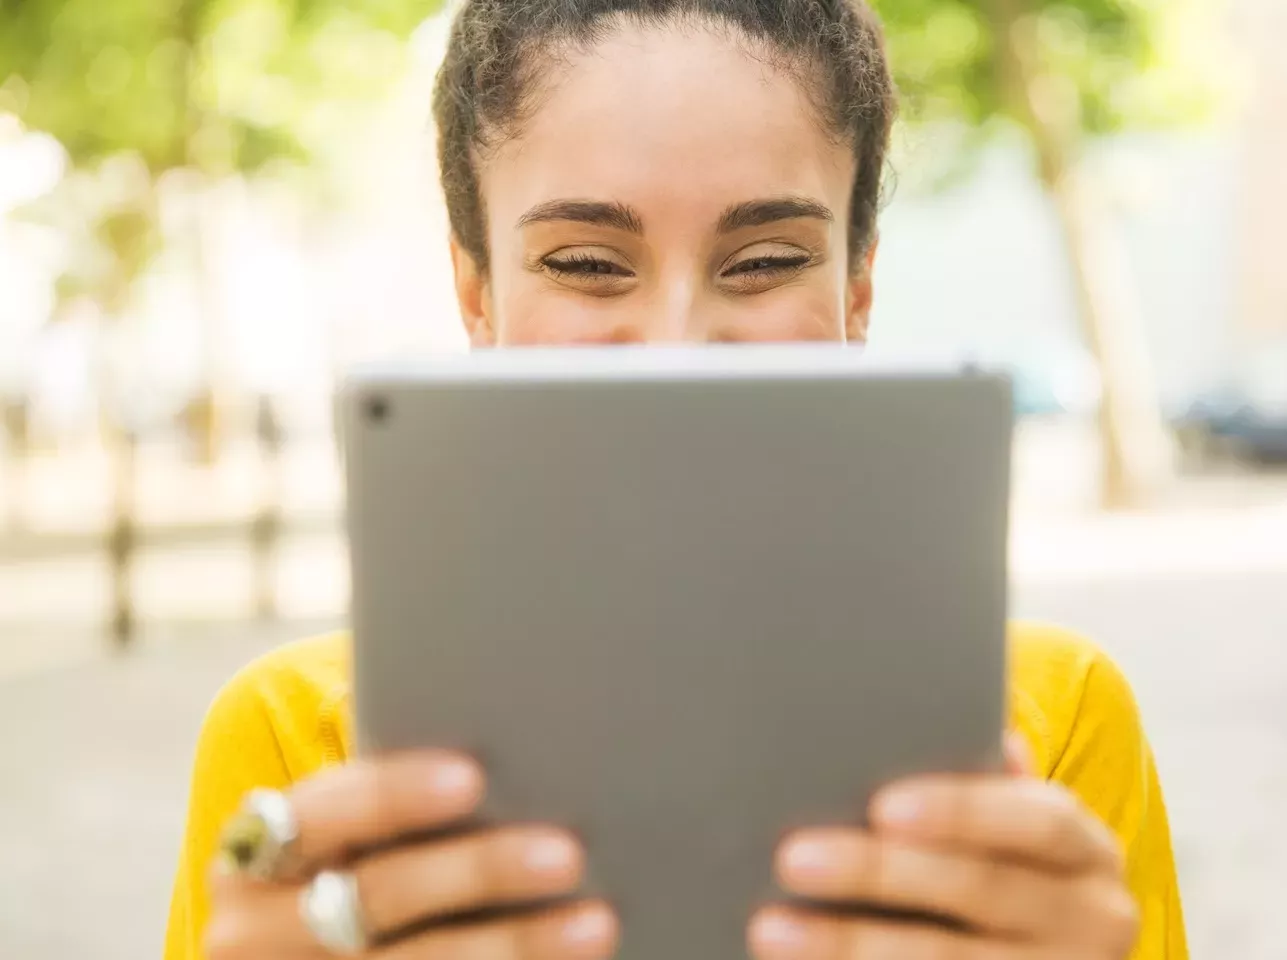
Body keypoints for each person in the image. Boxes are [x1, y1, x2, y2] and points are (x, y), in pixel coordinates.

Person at [166, 1, 1187, 958]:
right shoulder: (299, 744)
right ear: (476, 296)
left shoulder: (1051, 720)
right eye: (586, 262)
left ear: (857, 290)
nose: (675, 342)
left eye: (764, 259)